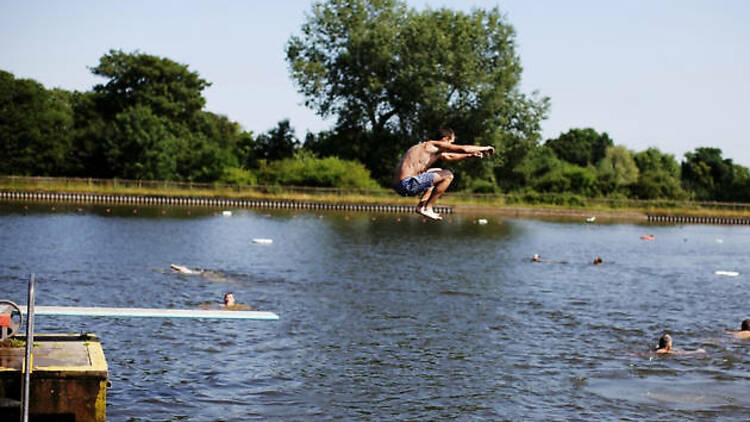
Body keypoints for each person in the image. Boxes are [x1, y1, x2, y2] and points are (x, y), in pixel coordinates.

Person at [393, 128, 494, 220]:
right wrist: (484, 148)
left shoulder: (424, 148)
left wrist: (469, 155)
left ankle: (421, 207)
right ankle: (428, 208)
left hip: (399, 185)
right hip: (407, 183)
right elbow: (463, 148)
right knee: (448, 175)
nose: (450, 145)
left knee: (436, 172)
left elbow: (449, 156)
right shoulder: (432, 145)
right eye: (451, 142)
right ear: (445, 139)